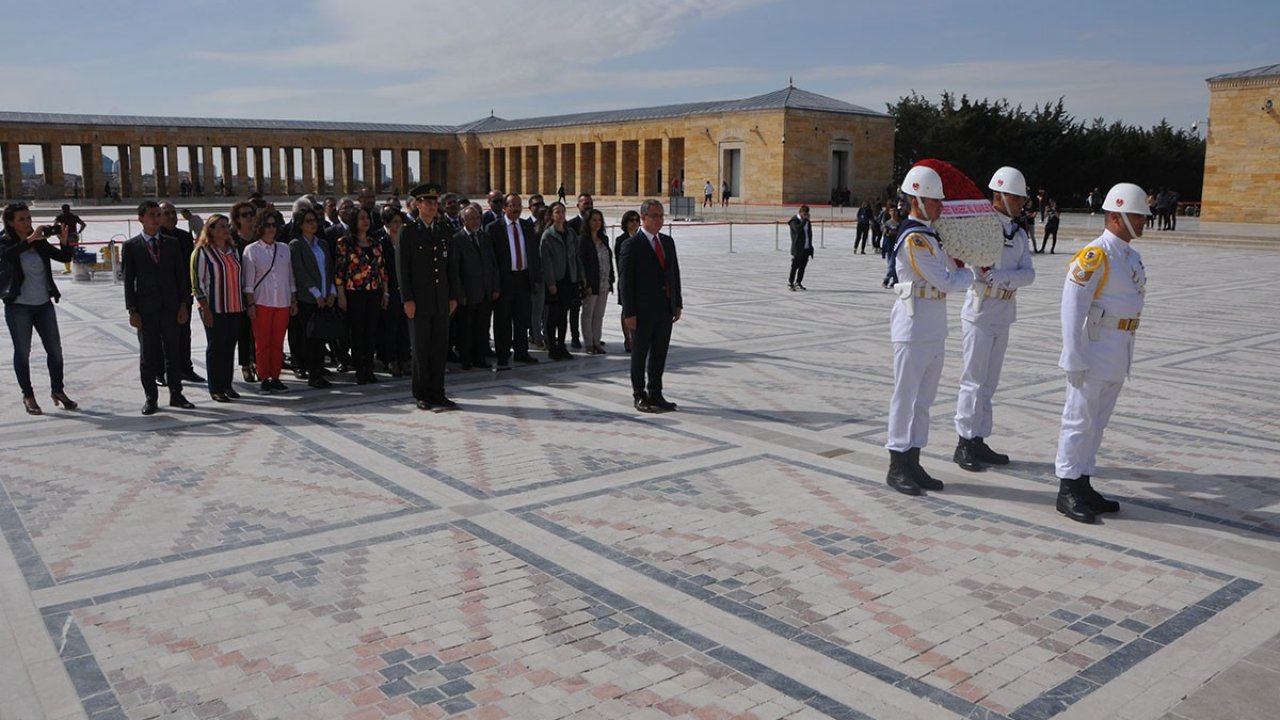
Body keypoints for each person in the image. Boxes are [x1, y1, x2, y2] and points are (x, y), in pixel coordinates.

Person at [1054, 182, 1148, 524]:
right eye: (1137, 216)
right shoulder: (1095, 254)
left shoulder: (1130, 256)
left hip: (1118, 349)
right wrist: (1072, 354)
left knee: (1097, 423)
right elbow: (1072, 306)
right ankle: (1067, 487)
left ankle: (1083, 481)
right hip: (1093, 349)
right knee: (1079, 419)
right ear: (1116, 216)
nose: (1143, 221)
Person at [884, 165, 974, 495]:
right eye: (935, 201)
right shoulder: (915, 239)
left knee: (924, 400)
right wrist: (972, 275)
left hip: (933, 325)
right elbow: (945, 280)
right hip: (913, 325)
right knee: (905, 398)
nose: (941, 206)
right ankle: (897, 464)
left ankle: (914, 460)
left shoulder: (933, 238)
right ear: (917, 201)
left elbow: (947, 274)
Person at [952, 167, 1036, 472]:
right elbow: (970, 263)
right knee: (973, 380)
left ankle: (979, 438)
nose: (1021, 203)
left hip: (1004, 310)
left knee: (989, 382)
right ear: (999, 195)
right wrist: (1000, 277)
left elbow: (1029, 274)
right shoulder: (979, 228)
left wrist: (1002, 277)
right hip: (980, 311)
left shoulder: (1019, 233)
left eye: (1022, 198)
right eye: (1016, 197)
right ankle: (964, 441)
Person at [2, 203, 78, 414]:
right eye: (22, 219)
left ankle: (58, 390)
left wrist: (64, 242)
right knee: (22, 352)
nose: (28, 222)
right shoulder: (5, 242)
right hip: (19, 306)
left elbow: (64, 258)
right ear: (10, 223)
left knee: (55, 351)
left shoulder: (39, 241)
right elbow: (6, 256)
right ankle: (28, 395)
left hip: (43, 304)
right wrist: (29, 240)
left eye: (28, 217)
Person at [122, 201, 195, 415]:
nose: (156, 219)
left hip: (170, 308)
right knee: (148, 356)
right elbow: (128, 281)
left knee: (173, 353)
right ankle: (151, 397)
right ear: (141, 219)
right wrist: (132, 310)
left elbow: (180, 276)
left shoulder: (171, 243)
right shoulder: (132, 246)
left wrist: (183, 304)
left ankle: (176, 394)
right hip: (146, 310)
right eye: (151, 215)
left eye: (158, 214)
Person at [399, 183, 460, 410]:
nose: (433, 206)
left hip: (441, 299)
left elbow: (451, 266)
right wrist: (407, 299)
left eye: (435, 202)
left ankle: (438, 391)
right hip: (419, 301)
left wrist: (453, 295)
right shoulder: (409, 231)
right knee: (421, 348)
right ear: (418, 204)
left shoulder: (443, 229)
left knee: (439, 347)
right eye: (428, 202)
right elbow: (402, 269)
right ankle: (422, 393)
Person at [619, 199, 682, 413]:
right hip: (642, 310)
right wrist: (629, 312)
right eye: (655, 216)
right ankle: (639, 395)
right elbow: (626, 282)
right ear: (643, 218)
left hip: (664, 308)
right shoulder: (632, 245)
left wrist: (677, 303)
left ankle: (656, 392)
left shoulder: (667, 242)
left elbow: (674, 274)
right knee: (639, 354)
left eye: (661, 216)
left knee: (659, 353)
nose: (659, 220)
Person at [190, 214, 244, 402]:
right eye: (221, 226)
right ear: (211, 230)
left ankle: (227, 384)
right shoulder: (203, 252)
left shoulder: (233, 250)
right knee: (216, 346)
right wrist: (205, 308)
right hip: (214, 307)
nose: (226, 229)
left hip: (234, 306)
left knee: (229, 346)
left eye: (227, 226)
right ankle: (216, 387)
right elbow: (197, 283)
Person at [241, 211, 296, 394]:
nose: (271, 229)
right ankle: (264, 376)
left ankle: (276, 376)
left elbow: (290, 277)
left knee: (278, 342)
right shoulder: (251, 250)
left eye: (274, 225)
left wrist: (293, 300)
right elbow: (248, 282)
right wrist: (250, 305)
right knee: (263, 342)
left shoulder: (284, 249)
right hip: (261, 302)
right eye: (267, 225)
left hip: (282, 301)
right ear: (260, 227)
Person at [335, 206, 388, 384]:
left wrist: (385, 292)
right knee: (357, 331)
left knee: (371, 331)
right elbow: (340, 271)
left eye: (367, 218)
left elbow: (382, 269)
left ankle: (369, 367)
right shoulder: (344, 242)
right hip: (354, 292)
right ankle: (359, 369)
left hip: (374, 291)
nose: (366, 221)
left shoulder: (375, 242)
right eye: (361, 218)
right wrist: (341, 295)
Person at [488, 193, 540, 369]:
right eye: (512, 205)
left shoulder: (527, 226)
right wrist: (495, 285)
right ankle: (503, 354)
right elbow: (492, 260)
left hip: (523, 278)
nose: (516, 208)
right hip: (504, 280)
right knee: (503, 320)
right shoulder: (494, 228)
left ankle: (521, 352)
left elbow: (533, 254)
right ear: (505, 207)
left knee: (522, 319)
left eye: (519, 205)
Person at [288, 208, 337, 388]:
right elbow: (300, 272)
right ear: (300, 225)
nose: (313, 224)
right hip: (308, 299)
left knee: (321, 337)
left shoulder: (322, 243)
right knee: (309, 338)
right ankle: (313, 374)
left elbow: (329, 268)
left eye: (314, 220)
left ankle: (319, 369)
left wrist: (332, 291)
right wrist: (316, 294)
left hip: (325, 296)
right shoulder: (296, 245)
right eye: (308, 221)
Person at [159, 202, 203, 384]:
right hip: (162, 296)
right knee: (163, 335)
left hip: (183, 294)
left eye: (173, 213)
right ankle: (162, 371)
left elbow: (190, 266)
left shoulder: (184, 237)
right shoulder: (156, 238)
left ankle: (186, 368)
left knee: (184, 333)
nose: (171, 216)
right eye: (166, 213)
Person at [451, 204, 498, 370]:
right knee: (466, 328)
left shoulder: (485, 237)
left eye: (477, 218)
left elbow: (493, 263)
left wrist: (495, 287)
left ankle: (480, 357)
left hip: (485, 291)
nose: (475, 221)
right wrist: (460, 293)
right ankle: (466, 358)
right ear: (463, 220)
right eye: (471, 218)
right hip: (468, 293)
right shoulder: (457, 239)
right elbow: (455, 270)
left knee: (482, 328)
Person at [540, 201, 584, 360]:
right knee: (553, 316)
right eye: (557, 212)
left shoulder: (570, 233)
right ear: (552, 215)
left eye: (562, 212)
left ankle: (561, 346)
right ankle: (552, 347)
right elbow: (546, 261)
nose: (560, 215)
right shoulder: (548, 235)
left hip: (569, 279)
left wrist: (580, 277)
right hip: (556, 280)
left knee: (563, 315)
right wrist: (551, 283)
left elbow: (576, 256)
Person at [375, 206, 411, 377]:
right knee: (391, 325)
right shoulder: (382, 242)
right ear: (387, 223)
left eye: (400, 222)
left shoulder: (404, 241)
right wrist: (385, 292)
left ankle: (404, 358)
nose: (398, 225)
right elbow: (381, 269)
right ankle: (391, 359)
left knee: (404, 325)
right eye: (395, 222)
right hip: (389, 289)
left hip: (404, 288)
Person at [229, 201, 258, 383]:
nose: (249, 217)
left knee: (258, 328)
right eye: (244, 215)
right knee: (243, 329)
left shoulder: (259, 236)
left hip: (260, 288)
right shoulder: (232, 240)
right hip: (239, 290)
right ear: (237, 219)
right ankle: (246, 364)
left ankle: (258, 361)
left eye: (251, 214)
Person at [579, 209, 613, 355]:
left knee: (599, 315)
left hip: (604, 283)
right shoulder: (583, 240)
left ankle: (597, 342)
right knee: (588, 314)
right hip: (591, 284)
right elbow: (581, 264)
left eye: (599, 220)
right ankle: (589, 343)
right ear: (588, 222)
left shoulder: (604, 239)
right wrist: (585, 283)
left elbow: (608, 259)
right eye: (594, 220)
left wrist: (611, 279)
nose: (597, 223)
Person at [564, 193, 594, 349]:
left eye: (590, 203)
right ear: (578, 206)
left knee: (592, 308)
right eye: (585, 204)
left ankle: (592, 337)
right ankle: (575, 337)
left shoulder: (596, 222)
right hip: (576, 272)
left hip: (591, 271)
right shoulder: (572, 225)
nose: (588, 206)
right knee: (575, 307)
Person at [615, 210, 640, 353]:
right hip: (627, 280)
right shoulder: (621, 240)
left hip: (641, 282)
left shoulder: (642, 238)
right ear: (625, 223)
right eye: (631, 220)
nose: (634, 223)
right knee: (627, 309)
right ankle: (628, 339)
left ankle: (637, 338)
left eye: (636, 220)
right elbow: (620, 262)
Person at [54, 204, 86, 275]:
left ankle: (68, 269)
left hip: (64, 237)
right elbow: (83, 224)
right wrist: (79, 232)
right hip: (74, 236)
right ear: (69, 209)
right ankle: (77, 267)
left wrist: (59, 232)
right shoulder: (74, 217)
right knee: (75, 252)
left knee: (65, 252)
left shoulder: (60, 217)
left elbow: (55, 224)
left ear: (62, 209)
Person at [787, 205, 814, 291]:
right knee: (795, 266)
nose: (806, 216)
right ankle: (790, 283)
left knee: (802, 267)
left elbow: (809, 234)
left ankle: (798, 282)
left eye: (807, 214)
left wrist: (810, 246)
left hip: (806, 247)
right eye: (804, 214)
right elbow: (797, 230)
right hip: (797, 248)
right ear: (800, 212)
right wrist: (804, 221)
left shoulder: (807, 222)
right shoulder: (794, 221)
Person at [880, 205, 900, 289]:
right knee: (891, 264)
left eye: (895, 211)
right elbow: (883, 232)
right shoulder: (887, 223)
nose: (893, 213)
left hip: (897, 246)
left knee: (891, 265)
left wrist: (895, 233)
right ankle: (895, 280)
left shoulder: (900, 223)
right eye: (891, 211)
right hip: (889, 246)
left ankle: (886, 280)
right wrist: (886, 231)